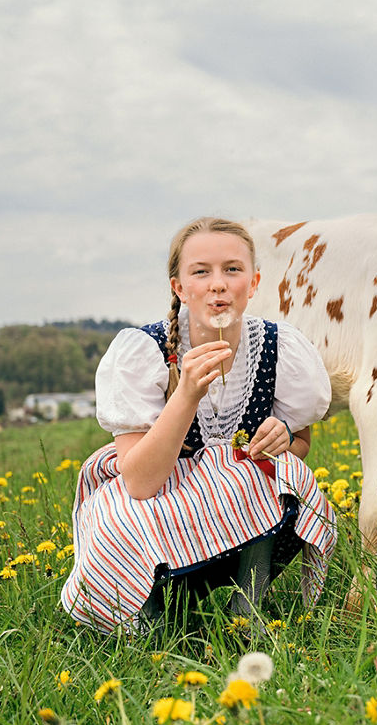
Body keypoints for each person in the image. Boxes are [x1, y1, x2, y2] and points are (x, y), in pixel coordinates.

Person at [61, 217, 336, 634]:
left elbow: (299, 444)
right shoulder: (145, 351)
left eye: (232, 269)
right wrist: (186, 395)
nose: (218, 284)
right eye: (201, 272)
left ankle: (248, 612)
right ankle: (150, 621)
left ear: (254, 281)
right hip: (161, 494)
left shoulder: (280, 347)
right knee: (120, 519)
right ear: (179, 288)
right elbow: (138, 482)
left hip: (229, 503)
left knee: (282, 474)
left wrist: (283, 440)